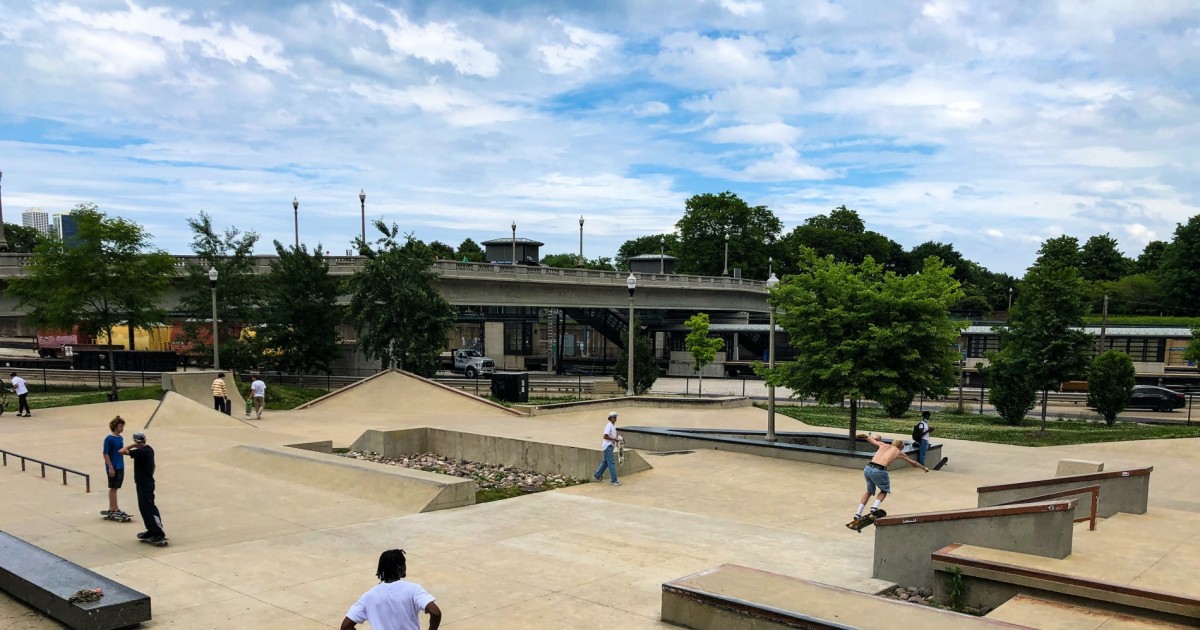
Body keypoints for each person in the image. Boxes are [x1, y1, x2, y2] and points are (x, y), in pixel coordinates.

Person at [341, 549, 441, 630]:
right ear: (400, 567)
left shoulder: (368, 596)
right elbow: (435, 613)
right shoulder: (413, 589)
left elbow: (346, 626)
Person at [850, 434, 928, 526]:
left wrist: (873, 437)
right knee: (884, 490)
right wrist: (923, 468)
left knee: (869, 491)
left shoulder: (883, 445)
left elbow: (869, 439)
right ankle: (874, 507)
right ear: (900, 447)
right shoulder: (899, 452)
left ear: (892, 443)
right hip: (879, 470)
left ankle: (858, 513)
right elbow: (913, 463)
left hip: (867, 468)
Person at [119, 432, 166, 543]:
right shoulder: (148, 449)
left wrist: (132, 445)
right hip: (142, 483)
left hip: (146, 484)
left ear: (137, 442)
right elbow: (153, 465)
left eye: (136, 442)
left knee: (149, 507)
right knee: (143, 507)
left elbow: (121, 451)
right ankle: (150, 529)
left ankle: (158, 531)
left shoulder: (142, 451)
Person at [102, 416, 129, 520]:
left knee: (116, 487)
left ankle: (113, 507)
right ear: (115, 427)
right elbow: (105, 454)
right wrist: (110, 467)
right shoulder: (109, 439)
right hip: (113, 466)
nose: (122, 428)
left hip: (120, 465)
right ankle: (113, 508)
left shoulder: (121, 438)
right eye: (120, 426)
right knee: (113, 488)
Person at [592, 411, 623, 486]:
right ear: (611, 418)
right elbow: (605, 436)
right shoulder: (609, 425)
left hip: (610, 446)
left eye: (616, 417)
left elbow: (611, 436)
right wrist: (614, 439)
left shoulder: (613, 425)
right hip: (608, 446)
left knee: (606, 462)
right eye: (614, 417)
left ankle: (597, 475)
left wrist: (618, 439)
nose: (615, 419)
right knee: (611, 463)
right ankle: (614, 480)